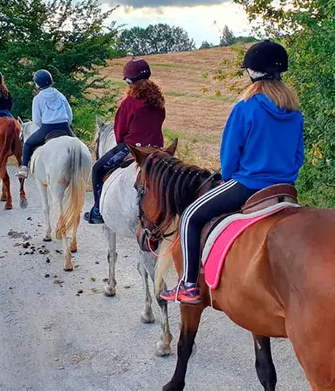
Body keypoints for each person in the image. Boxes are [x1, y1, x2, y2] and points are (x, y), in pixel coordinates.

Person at [159, 40, 305, 304]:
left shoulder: (245, 108)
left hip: (249, 183)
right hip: (285, 188)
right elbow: (298, 158)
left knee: (190, 214)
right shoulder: (294, 113)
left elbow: (229, 159)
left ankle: (189, 285)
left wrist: (231, 177)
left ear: (252, 73)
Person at [84, 58, 166, 224]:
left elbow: (119, 131)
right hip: (157, 149)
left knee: (98, 169)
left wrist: (124, 142)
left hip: (131, 148)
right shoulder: (159, 102)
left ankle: (98, 210)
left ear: (129, 81)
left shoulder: (128, 103)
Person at [17, 69, 73, 179]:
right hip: (64, 126)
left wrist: (43, 126)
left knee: (28, 143)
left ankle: (24, 168)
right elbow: (69, 114)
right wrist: (66, 124)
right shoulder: (60, 95)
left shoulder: (38, 98)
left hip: (47, 127)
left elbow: (36, 119)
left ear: (37, 84)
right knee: (80, 145)